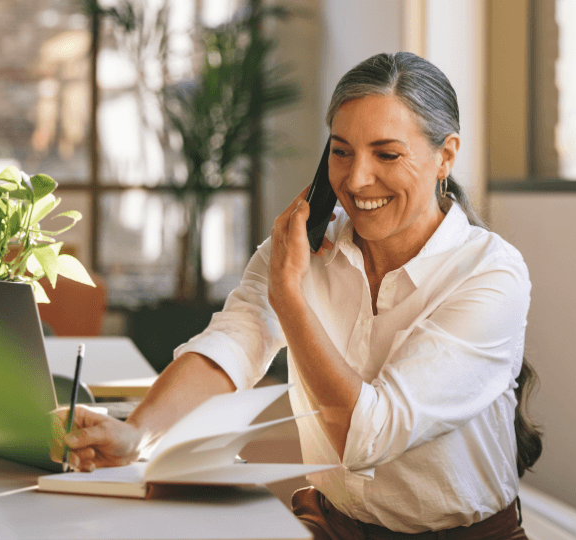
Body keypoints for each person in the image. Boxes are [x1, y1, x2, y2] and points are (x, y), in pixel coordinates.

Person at [57, 52, 541, 539]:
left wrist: (291, 299)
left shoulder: (491, 274)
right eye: (341, 150)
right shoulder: (302, 249)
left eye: (386, 154)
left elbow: (367, 437)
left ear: (446, 156)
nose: (355, 180)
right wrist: (137, 433)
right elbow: (233, 341)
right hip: (334, 525)